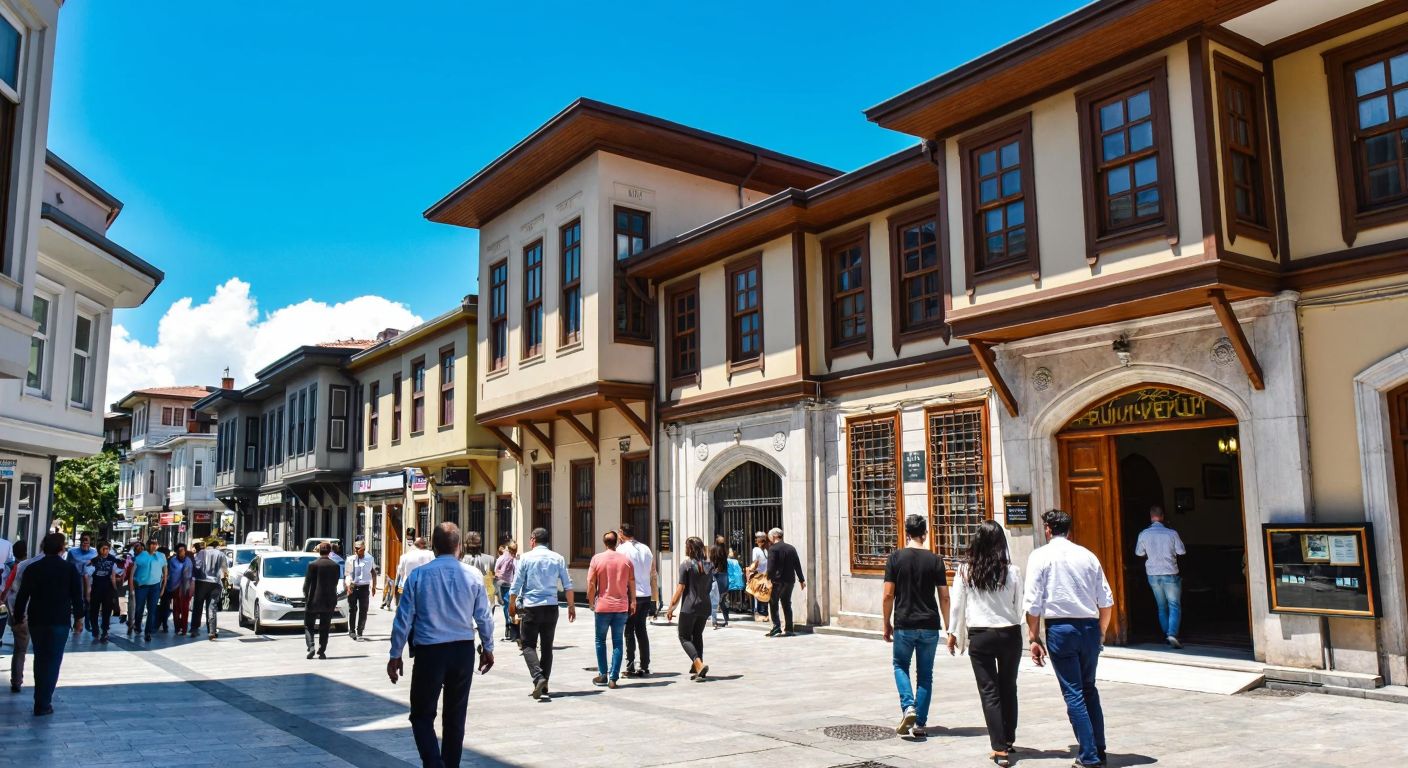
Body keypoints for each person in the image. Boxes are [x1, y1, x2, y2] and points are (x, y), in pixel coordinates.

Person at [388, 522, 495, 768]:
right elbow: (483, 617)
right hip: (462, 651)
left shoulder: (419, 576)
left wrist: (395, 654)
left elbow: (403, 618)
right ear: (459, 547)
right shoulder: (473, 575)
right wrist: (487, 647)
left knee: (422, 715)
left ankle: (434, 764)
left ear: (434, 547)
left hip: (430, 652)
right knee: (455, 717)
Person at [1025, 509, 1114, 768]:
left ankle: (1089, 755)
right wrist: (1102, 632)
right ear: (1069, 530)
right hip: (1089, 628)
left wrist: (1033, 636)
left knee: (1074, 692)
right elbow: (1106, 601)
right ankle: (1099, 747)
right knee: (1089, 688)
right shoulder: (1088, 556)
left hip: (1061, 629)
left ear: (1048, 529)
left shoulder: (1040, 556)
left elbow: (1033, 602)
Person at [948, 520, 1025, 766]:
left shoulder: (965, 570)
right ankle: (1008, 738)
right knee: (1008, 686)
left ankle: (999, 747)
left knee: (989, 691)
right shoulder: (1011, 571)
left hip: (981, 635)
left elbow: (957, 605)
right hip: (1009, 633)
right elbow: (1019, 604)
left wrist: (953, 633)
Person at [882, 514, 951, 740]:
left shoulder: (895, 558)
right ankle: (920, 723)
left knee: (900, 665)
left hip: (904, 622)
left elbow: (888, 594)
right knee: (925, 675)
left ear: (906, 532)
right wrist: (948, 625)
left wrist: (886, 623)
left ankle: (908, 706)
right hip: (930, 624)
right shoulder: (935, 560)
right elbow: (944, 596)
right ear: (925, 533)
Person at [13, 532, 83, 716]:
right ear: (62, 549)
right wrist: (79, 619)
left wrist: (19, 616)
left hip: (37, 620)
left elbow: (22, 596)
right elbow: (77, 597)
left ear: (44, 547)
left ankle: (40, 699)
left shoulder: (33, 568)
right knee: (53, 660)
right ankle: (44, 702)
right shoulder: (69, 569)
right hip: (59, 620)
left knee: (40, 658)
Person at [508, 527, 575, 700]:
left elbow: (516, 584)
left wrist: (511, 604)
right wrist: (571, 606)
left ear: (532, 540)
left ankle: (538, 677)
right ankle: (544, 684)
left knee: (528, 644)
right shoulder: (558, 558)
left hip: (532, 606)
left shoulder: (526, 558)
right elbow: (567, 584)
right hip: (551, 606)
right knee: (547, 646)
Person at [586, 530, 634, 688]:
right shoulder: (626, 560)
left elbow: (591, 583)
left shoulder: (597, 559)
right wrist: (633, 601)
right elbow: (631, 582)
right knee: (618, 642)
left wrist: (591, 601)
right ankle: (613, 677)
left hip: (603, 605)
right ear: (616, 543)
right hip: (621, 606)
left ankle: (602, 674)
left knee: (600, 640)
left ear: (604, 543)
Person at [1134, 505, 1187, 649]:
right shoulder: (1171, 533)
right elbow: (1181, 551)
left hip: (1153, 574)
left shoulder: (1143, 534)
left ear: (1151, 517)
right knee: (1174, 605)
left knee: (1161, 606)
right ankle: (1172, 634)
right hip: (1170, 572)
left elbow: (1139, 553)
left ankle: (1166, 635)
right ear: (1162, 516)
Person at [665, 536, 714, 682]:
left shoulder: (686, 565)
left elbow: (681, 589)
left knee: (684, 636)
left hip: (689, 606)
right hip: (705, 605)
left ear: (690, 548)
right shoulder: (709, 564)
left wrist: (671, 607)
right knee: (697, 634)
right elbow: (710, 586)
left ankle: (698, 664)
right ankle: (698, 665)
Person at [616, 522, 655, 678]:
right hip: (645, 594)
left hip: (631, 595)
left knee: (629, 630)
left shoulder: (621, 550)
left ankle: (630, 665)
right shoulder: (646, 548)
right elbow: (653, 572)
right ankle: (645, 664)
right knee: (641, 630)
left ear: (621, 534)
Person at [1, 541, 34, 693]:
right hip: (24, 612)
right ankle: (17, 680)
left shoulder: (9, 568)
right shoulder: (27, 567)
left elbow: (5, 589)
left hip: (11, 610)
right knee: (21, 649)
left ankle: (16, 679)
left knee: (19, 648)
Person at [303, 542, 341, 660]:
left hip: (313, 600)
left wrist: (306, 595)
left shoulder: (312, 564)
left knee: (309, 625)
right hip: (329, 600)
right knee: (325, 626)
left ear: (319, 551)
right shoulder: (335, 565)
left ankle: (311, 647)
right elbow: (335, 583)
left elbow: (307, 583)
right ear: (330, 552)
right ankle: (322, 650)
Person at [765, 528, 806, 637]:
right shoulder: (791, 548)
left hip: (777, 581)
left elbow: (771, 567)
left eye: (769, 537)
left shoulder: (773, 549)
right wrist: (801, 580)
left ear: (773, 536)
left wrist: (768, 579)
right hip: (790, 581)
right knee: (786, 603)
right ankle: (789, 628)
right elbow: (797, 564)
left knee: (773, 603)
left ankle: (776, 626)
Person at [190, 540, 229, 640]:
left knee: (198, 605)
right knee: (212, 607)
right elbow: (225, 570)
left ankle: (194, 629)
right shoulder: (221, 554)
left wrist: (193, 580)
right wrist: (226, 582)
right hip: (215, 583)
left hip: (201, 582)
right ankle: (212, 631)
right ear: (216, 546)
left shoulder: (201, 553)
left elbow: (196, 566)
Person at [131, 539, 167, 641]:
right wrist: (132, 587)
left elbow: (165, 572)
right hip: (141, 586)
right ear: (147, 545)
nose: (153, 546)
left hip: (155, 587)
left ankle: (148, 632)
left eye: (155, 544)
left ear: (157, 545)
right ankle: (137, 625)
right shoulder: (140, 556)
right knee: (139, 608)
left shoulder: (161, 556)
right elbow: (132, 573)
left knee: (152, 610)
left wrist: (163, 587)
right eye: (151, 544)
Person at [85, 541, 121, 643]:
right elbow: (88, 576)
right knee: (94, 611)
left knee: (107, 611)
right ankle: (95, 630)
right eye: (103, 549)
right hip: (96, 588)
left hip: (108, 589)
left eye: (107, 549)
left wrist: (115, 590)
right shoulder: (93, 561)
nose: (105, 551)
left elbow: (113, 576)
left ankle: (105, 631)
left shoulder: (112, 560)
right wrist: (88, 592)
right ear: (98, 549)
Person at [344, 539, 378, 640]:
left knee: (363, 610)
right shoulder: (350, 559)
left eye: (358, 549)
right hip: (353, 586)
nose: (356, 550)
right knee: (352, 609)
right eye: (355, 548)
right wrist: (348, 585)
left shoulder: (369, 559)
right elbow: (347, 574)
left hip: (364, 587)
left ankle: (360, 631)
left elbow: (373, 572)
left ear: (363, 549)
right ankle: (352, 631)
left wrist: (374, 586)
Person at [159, 543, 194, 634]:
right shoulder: (172, 561)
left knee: (185, 609)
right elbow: (169, 573)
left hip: (185, 589)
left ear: (185, 551)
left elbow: (189, 576)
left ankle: (184, 629)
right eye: (179, 551)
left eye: (182, 550)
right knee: (176, 609)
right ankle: (177, 628)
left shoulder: (188, 561)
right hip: (174, 588)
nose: (181, 552)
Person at [460, 532, 497, 615]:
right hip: (486, 602)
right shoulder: (491, 560)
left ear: (465, 545)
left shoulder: (458, 561)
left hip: (465, 602)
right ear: (480, 544)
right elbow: (493, 581)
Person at [396, 537, 434, 608]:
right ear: (423, 545)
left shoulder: (405, 556)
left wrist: (399, 589)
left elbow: (400, 572)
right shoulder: (431, 555)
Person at [493, 540, 518, 642]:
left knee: (505, 604)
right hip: (510, 583)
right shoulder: (514, 559)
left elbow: (495, 570)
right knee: (509, 604)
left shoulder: (501, 558)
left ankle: (508, 625)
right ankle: (511, 626)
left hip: (500, 583)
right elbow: (516, 571)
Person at [708, 535, 730, 629]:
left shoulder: (713, 549)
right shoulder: (725, 550)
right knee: (723, 599)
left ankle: (714, 620)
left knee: (713, 598)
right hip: (724, 575)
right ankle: (726, 619)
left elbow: (711, 562)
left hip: (715, 575)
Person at [747, 532, 769, 618]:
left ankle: (758, 611)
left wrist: (751, 570)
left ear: (759, 540)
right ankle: (764, 611)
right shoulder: (766, 550)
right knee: (764, 593)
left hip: (758, 574)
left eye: (757, 538)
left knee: (757, 593)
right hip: (766, 575)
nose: (755, 540)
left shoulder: (755, 549)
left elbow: (755, 562)